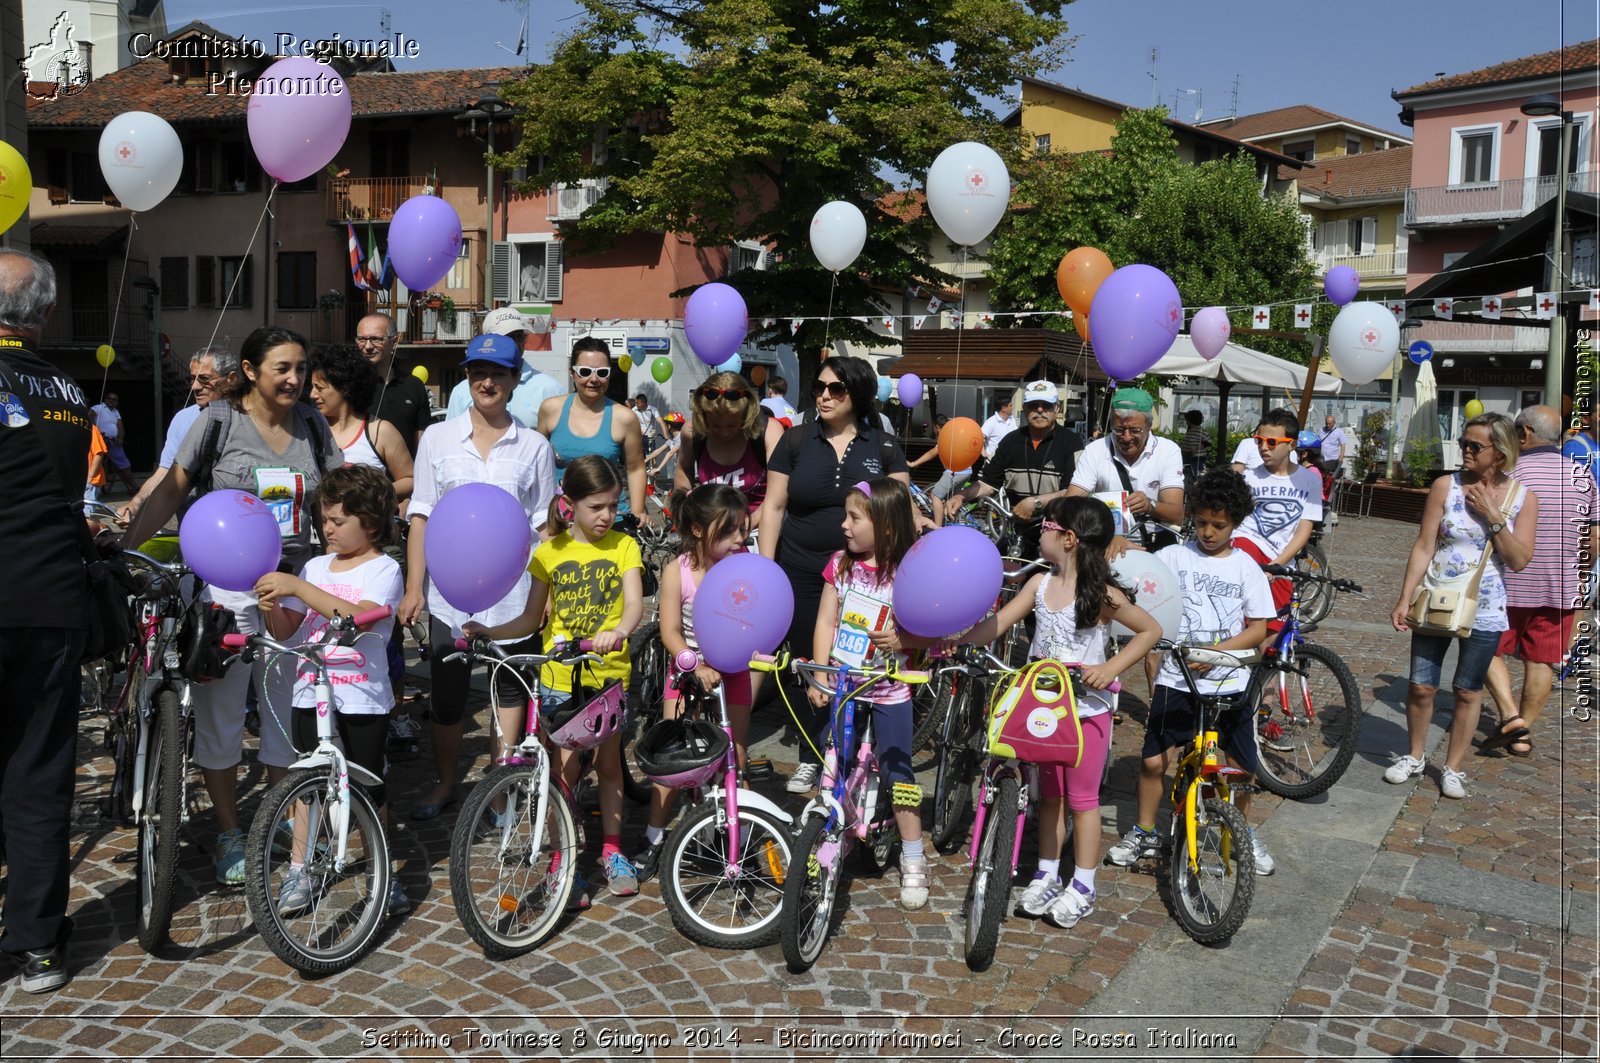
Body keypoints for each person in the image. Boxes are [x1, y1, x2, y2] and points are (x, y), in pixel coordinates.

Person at [122, 325, 345, 886]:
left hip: (291, 592)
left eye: (301, 369)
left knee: (284, 720)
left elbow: (341, 495)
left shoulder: (314, 427)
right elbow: (173, 488)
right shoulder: (220, 421)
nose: (296, 380)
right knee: (221, 721)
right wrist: (125, 548)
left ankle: (277, 828)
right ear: (250, 371)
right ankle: (226, 831)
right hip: (224, 593)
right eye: (282, 369)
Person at [959, 497, 1162, 928]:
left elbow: (1150, 630)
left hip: (1087, 713)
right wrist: (957, 638)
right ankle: (1047, 873)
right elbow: (998, 625)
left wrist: (1109, 669)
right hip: (1043, 713)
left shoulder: (1101, 593)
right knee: (1049, 796)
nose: (1041, 531)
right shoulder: (1037, 583)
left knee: (1083, 801)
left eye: (1047, 525)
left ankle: (1084, 885)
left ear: (1068, 538)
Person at [466, 455, 645, 901]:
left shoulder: (624, 546)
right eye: (596, 507)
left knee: (608, 766)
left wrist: (619, 632)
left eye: (613, 505)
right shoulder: (549, 553)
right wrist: (490, 631)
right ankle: (564, 859)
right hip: (559, 677)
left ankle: (611, 849)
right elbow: (530, 617)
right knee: (563, 772)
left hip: (606, 674)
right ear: (570, 505)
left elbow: (635, 604)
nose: (606, 516)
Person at [399, 333, 558, 820]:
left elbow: (544, 528)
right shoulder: (438, 439)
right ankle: (446, 783)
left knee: (509, 690)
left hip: (513, 598)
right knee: (447, 697)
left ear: (514, 380)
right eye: (477, 372)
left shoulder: (533, 446)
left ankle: (498, 788)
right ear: (467, 378)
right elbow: (421, 515)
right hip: (450, 595)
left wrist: (544, 593)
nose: (486, 382)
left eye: (498, 374)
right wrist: (413, 588)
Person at [252, 464, 410, 917]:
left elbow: (360, 616)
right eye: (324, 520)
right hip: (310, 689)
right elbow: (290, 629)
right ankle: (300, 870)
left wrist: (299, 586)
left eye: (339, 521)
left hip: (361, 694)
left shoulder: (384, 569)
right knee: (308, 785)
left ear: (372, 524)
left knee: (366, 785)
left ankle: (381, 870)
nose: (328, 529)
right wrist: (272, 608)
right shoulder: (316, 565)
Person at [1107, 468, 1278, 874]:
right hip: (1176, 680)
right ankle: (1146, 831)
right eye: (1201, 522)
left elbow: (1257, 629)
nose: (1208, 532)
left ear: (1235, 523)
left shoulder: (1246, 568)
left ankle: (1240, 831)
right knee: (1153, 762)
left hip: (1228, 681)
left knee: (1240, 768)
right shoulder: (1172, 556)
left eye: (1219, 525)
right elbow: (1132, 576)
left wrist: (1216, 651)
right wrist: (1119, 544)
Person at [757, 354, 911, 793]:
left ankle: (865, 751)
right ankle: (813, 751)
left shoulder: (881, 446)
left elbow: (899, 512)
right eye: (819, 388)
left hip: (867, 576)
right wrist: (768, 568)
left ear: (857, 394)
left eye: (835, 389)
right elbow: (774, 505)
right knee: (811, 662)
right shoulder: (795, 441)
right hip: (802, 570)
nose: (824, 395)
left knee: (863, 661)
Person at [0, 249, 91, 992]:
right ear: (47, 314)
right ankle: (35, 947)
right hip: (54, 599)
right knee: (38, 772)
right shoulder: (68, 388)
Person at [1388, 413, 1535, 800]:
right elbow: (1424, 544)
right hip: (1436, 597)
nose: (1465, 451)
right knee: (1421, 686)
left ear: (1500, 453)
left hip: (1485, 606)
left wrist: (1494, 516)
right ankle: (1415, 755)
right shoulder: (1444, 486)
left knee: (1468, 691)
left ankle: (1453, 768)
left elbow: (1520, 560)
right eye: (1464, 443)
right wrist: (1405, 596)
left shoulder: (1523, 497)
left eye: (1475, 446)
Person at [808, 478, 930, 908]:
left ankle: (913, 856)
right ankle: (830, 829)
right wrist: (819, 676)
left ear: (887, 528)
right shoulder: (841, 565)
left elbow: (930, 631)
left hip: (891, 688)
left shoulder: (909, 574)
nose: (844, 525)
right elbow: (826, 620)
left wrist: (905, 642)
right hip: (843, 683)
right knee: (833, 759)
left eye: (854, 518)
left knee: (898, 771)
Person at [638, 483, 753, 880]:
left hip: (734, 674)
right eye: (731, 530)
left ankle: (735, 836)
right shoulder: (679, 571)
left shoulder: (744, 570)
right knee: (674, 761)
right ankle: (654, 837)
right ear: (701, 531)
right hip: (688, 674)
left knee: (735, 757)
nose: (741, 538)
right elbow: (670, 630)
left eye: (743, 529)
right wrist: (691, 663)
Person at [1478, 406, 1596, 757]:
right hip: (1561, 585)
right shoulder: (1580, 474)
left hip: (1506, 582)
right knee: (1542, 660)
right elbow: (1593, 538)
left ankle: (1511, 716)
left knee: (1484, 649)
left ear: (1525, 433)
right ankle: (1521, 733)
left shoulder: (1508, 472)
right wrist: (1582, 574)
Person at [960, 380, 1084, 558]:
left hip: (1057, 534)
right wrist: (961, 496)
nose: (1040, 410)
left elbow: (1074, 492)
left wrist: (1035, 503)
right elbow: (988, 484)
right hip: (1015, 532)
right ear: (1024, 408)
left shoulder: (1072, 442)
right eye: (1033, 405)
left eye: (1046, 405)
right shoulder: (1010, 441)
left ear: (1057, 408)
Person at [537, 336, 650, 526]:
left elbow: (636, 468)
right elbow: (537, 463)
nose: (594, 379)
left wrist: (638, 511)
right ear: (572, 373)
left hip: (610, 520)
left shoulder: (625, 417)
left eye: (602, 372)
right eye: (585, 371)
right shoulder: (551, 409)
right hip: (562, 520)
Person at [123, 346, 241, 523]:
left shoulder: (250, 419)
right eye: (192, 379)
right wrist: (136, 503)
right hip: (192, 522)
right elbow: (165, 471)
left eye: (204, 379)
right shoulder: (183, 418)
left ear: (231, 379)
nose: (195, 386)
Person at [1066, 387, 1184, 554]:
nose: (1126, 437)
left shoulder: (1168, 450)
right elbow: (1070, 504)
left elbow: (1177, 514)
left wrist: (1150, 506)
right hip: (1105, 543)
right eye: (1118, 429)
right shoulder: (1095, 450)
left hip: (1153, 544)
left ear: (1149, 426)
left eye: (1135, 430)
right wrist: (1106, 534)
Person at [1233, 409, 1325, 622]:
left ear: (1291, 445)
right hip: (1248, 553)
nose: (1263, 447)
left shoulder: (1309, 480)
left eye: (1272, 442)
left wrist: (1277, 565)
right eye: (1259, 440)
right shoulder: (1248, 477)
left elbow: (1304, 529)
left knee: (1273, 639)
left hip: (1281, 562)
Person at [310, 343, 415, 505]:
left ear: (344, 388)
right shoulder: (311, 430)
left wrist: (373, 495)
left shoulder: (380, 431)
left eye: (319, 388)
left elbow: (410, 479)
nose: (312, 394)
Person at [675, 371, 785, 525]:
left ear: (746, 414)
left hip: (759, 528)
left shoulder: (769, 432)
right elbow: (684, 468)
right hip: (712, 531)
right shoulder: (693, 432)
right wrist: (686, 515)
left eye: (732, 425)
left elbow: (777, 498)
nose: (724, 432)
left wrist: (743, 526)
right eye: (715, 425)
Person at [445, 307, 565, 430]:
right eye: (507, 337)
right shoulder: (462, 391)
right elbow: (451, 437)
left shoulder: (550, 389)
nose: (515, 343)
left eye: (519, 336)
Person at [356, 313, 432, 457]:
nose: (367, 346)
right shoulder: (348, 385)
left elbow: (422, 445)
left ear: (395, 341)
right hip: (357, 478)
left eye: (375, 339)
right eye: (361, 339)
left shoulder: (414, 386)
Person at [906, 414, 971, 526]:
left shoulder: (945, 436)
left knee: (935, 496)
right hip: (967, 471)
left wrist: (913, 463)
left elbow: (932, 453)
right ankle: (952, 525)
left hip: (955, 471)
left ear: (937, 427)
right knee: (951, 500)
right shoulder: (955, 434)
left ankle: (937, 528)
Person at [91, 391, 139, 493]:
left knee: (123, 466)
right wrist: (96, 431)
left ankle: (133, 488)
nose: (111, 401)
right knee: (99, 465)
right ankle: (133, 487)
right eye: (109, 398)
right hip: (101, 441)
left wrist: (120, 438)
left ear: (117, 402)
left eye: (114, 399)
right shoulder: (98, 407)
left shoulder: (116, 412)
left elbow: (120, 427)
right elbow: (89, 415)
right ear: (105, 399)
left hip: (113, 442)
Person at [646, 413, 684, 483]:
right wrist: (646, 460)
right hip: (678, 469)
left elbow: (671, 453)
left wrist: (659, 468)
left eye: (665, 425)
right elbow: (658, 451)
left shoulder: (681, 437)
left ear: (669, 426)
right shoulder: (672, 439)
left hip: (684, 470)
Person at [980, 393, 1016, 461]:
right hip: (994, 463)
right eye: (1010, 406)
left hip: (1009, 462)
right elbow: (979, 438)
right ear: (1003, 408)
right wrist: (984, 453)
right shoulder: (991, 422)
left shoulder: (1012, 420)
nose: (1012, 408)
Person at [1180, 409, 1210, 480]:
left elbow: (1207, 442)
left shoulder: (1200, 430)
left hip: (1197, 456)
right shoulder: (1190, 430)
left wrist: (1196, 448)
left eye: (1186, 420)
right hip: (1188, 455)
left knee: (1196, 472)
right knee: (1189, 471)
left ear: (1191, 420)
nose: (1186, 422)